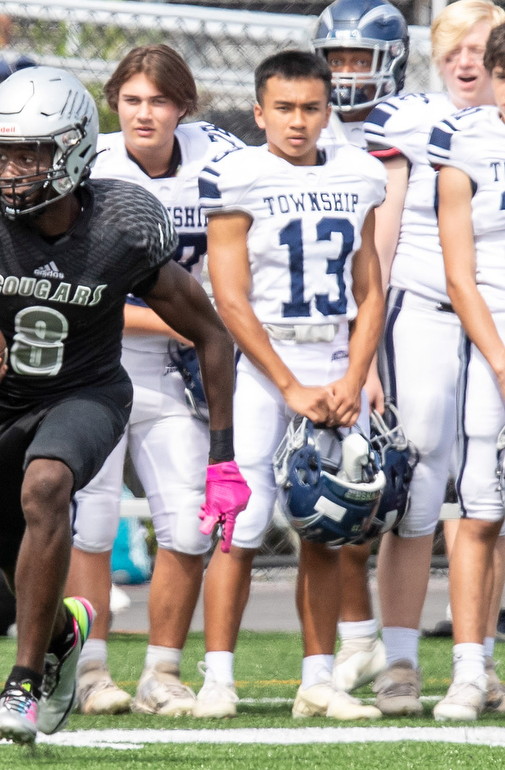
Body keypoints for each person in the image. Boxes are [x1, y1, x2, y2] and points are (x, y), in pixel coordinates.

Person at [0, 65, 247, 745]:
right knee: (4, 539)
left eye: (31, 152)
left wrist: (223, 459)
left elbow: (210, 334)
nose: (13, 169)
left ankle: (24, 684)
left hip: (87, 392)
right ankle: (60, 633)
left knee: (47, 485)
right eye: (4, 152)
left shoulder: (122, 221)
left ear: (76, 150)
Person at [199, 50, 386, 720]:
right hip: (262, 367)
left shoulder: (361, 174)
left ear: (327, 110)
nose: (298, 121)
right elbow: (230, 298)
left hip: (334, 361)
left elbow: (370, 288)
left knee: (328, 525)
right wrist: (287, 384)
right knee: (239, 526)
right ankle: (217, 677)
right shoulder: (238, 173)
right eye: (284, 108)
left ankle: (318, 678)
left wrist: (354, 376)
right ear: (259, 111)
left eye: (311, 107)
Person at [62, 45, 245, 717]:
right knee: (93, 522)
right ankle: (89, 670)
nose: (145, 113)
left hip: (178, 373)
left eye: (159, 100)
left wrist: (203, 331)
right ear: (115, 102)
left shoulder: (219, 157)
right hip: (97, 359)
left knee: (190, 523)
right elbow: (79, 286)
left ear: (183, 107)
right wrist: (185, 326)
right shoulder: (90, 165)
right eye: (133, 99)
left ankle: (161, 671)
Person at [364, 0, 505, 716]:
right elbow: (381, 236)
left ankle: (473, 659)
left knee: (487, 495)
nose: (467, 60)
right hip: (423, 312)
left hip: (494, 321)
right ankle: (398, 658)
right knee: (418, 484)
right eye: (453, 49)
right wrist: (364, 352)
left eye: (480, 47)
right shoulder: (407, 119)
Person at [310, 0, 409, 696]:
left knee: (404, 486)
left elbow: (385, 247)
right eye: (336, 58)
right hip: (330, 321)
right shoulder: (302, 129)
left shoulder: (405, 131)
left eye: (358, 59)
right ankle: (359, 637)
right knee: (338, 478)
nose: (347, 74)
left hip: (402, 312)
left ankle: (398, 647)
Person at [427, 20, 505, 721]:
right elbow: (459, 274)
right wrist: (503, 360)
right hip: (494, 340)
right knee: (482, 510)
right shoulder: (469, 138)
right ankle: (470, 670)